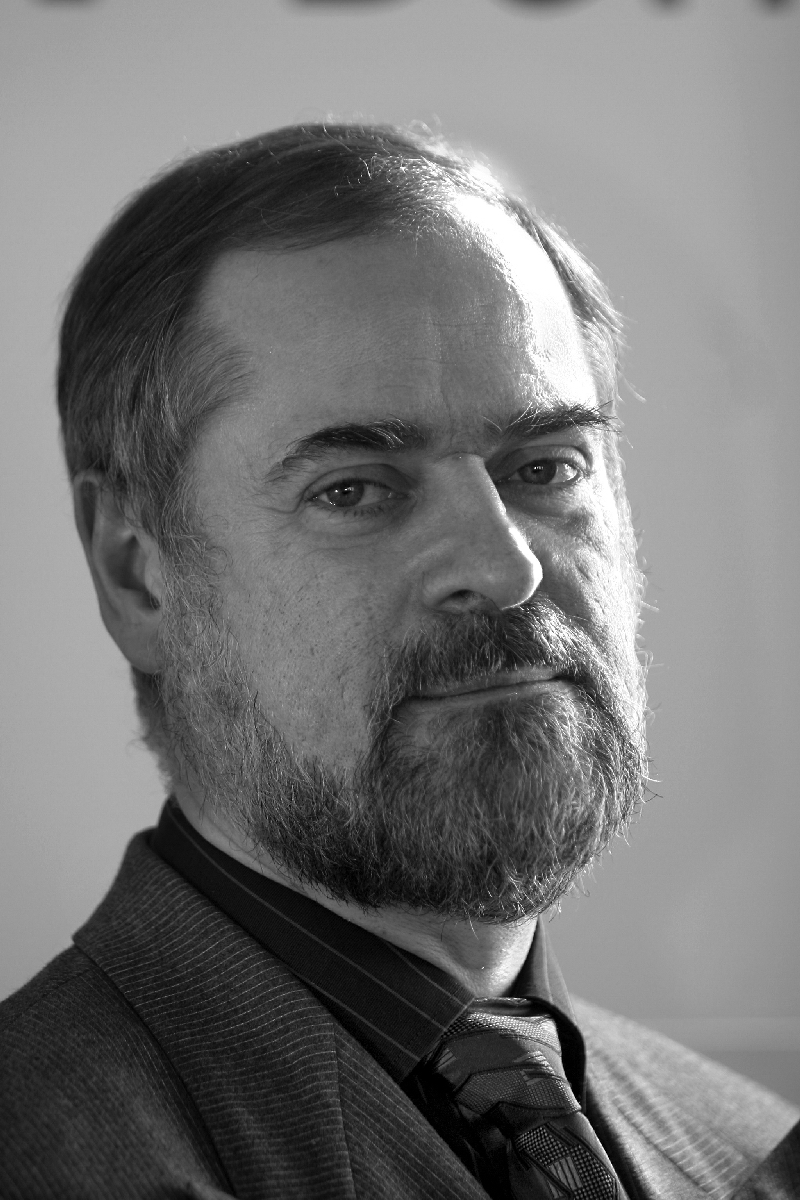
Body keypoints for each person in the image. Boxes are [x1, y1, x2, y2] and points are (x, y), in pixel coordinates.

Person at [0, 123, 796, 1200]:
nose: (502, 568)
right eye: (354, 490)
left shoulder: (747, 1143)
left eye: (546, 466)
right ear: (138, 573)